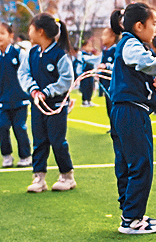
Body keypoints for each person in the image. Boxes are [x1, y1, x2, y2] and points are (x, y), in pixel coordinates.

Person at [109, 4, 156, 234]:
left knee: (126, 163)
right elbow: (143, 61)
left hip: (124, 111)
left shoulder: (131, 44)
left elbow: (145, 78)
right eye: (153, 24)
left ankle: (130, 213)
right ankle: (132, 219)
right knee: (140, 163)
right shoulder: (131, 44)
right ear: (139, 26)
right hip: (132, 112)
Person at [17, 13, 76, 192]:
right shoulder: (32, 53)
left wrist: (47, 92)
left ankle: (67, 176)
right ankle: (39, 178)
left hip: (56, 106)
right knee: (39, 141)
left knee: (58, 141)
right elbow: (23, 73)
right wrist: (34, 90)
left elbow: (66, 79)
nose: (29, 32)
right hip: (37, 105)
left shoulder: (60, 55)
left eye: (31, 28)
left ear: (40, 31)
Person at [0, 22, 31, 168]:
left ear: (10, 36)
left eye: (2, 33)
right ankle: (6, 156)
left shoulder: (19, 53)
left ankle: (25, 156)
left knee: (20, 127)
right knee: (2, 126)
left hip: (20, 100)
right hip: (2, 101)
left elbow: (27, 73)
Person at [76, 38, 98, 106]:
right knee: (85, 87)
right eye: (88, 46)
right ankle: (84, 100)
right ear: (84, 47)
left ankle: (89, 100)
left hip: (91, 73)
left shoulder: (91, 55)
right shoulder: (82, 55)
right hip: (84, 73)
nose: (90, 48)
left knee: (90, 87)